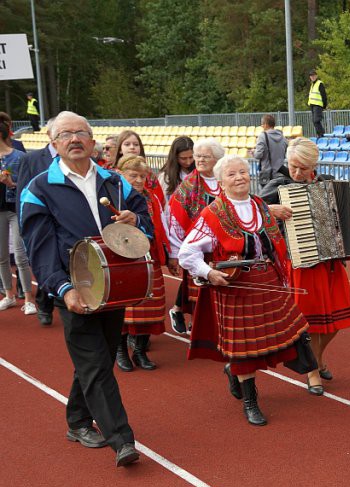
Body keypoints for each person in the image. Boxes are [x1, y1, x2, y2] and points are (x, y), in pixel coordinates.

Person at [20, 111, 152, 467]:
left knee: (102, 358)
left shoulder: (115, 182)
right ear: (54, 144)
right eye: (65, 134)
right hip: (74, 286)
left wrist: (136, 220)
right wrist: (63, 290)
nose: (74, 139)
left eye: (81, 132)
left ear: (93, 142)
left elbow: (147, 224)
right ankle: (121, 439)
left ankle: (77, 421)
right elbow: (40, 249)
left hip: (116, 284)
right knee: (94, 362)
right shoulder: (38, 190)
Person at [178, 155, 316, 426]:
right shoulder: (213, 213)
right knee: (243, 350)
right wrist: (208, 273)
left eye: (243, 172)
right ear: (221, 181)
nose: (239, 177)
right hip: (235, 287)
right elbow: (187, 253)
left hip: (269, 281)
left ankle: (235, 371)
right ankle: (250, 401)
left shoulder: (260, 205)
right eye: (232, 174)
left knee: (292, 331)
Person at [259, 137, 350, 395]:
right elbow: (250, 210)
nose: (297, 173)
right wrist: (271, 209)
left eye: (303, 168)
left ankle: (317, 360)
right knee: (309, 322)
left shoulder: (327, 184)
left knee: (334, 322)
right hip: (299, 260)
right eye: (293, 166)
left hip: (330, 261)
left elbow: (342, 218)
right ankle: (313, 371)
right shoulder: (280, 184)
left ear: (314, 166)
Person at [115, 154, 170, 371]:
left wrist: (167, 254)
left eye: (142, 176)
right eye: (133, 175)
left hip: (148, 257)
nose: (138, 180)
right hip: (122, 260)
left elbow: (161, 225)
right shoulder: (113, 197)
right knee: (124, 309)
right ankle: (120, 350)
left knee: (149, 305)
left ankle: (139, 351)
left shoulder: (152, 198)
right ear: (120, 174)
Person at [167, 138, 225, 335]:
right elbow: (176, 217)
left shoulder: (224, 179)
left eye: (205, 156)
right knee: (198, 288)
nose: (199, 160)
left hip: (222, 246)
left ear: (217, 159)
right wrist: (176, 251)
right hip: (197, 245)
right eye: (197, 156)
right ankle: (195, 324)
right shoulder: (189, 184)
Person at [15, 117, 59, 326]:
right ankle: (44, 304)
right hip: (42, 221)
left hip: (67, 221)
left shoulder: (78, 158)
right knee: (47, 261)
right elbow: (22, 195)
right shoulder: (31, 159)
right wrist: (24, 227)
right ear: (50, 135)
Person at [0, 124, 34, 314]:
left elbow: (27, 187)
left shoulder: (19, 157)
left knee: (21, 255)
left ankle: (29, 299)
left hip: (15, 208)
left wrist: (11, 183)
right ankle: (8, 295)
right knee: (1, 256)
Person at [253, 114, 288, 187]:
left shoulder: (262, 136)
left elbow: (258, 155)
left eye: (262, 124)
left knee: (265, 196)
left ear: (265, 124)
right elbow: (285, 153)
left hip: (267, 174)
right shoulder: (282, 137)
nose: (262, 126)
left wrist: (253, 152)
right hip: (280, 172)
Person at [307, 71, 328, 138]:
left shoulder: (319, 83)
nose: (312, 77)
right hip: (313, 105)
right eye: (311, 76)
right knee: (314, 121)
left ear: (316, 76)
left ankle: (321, 134)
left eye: (313, 75)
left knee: (316, 120)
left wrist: (324, 105)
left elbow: (324, 95)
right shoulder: (312, 84)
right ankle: (319, 134)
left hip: (318, 105)